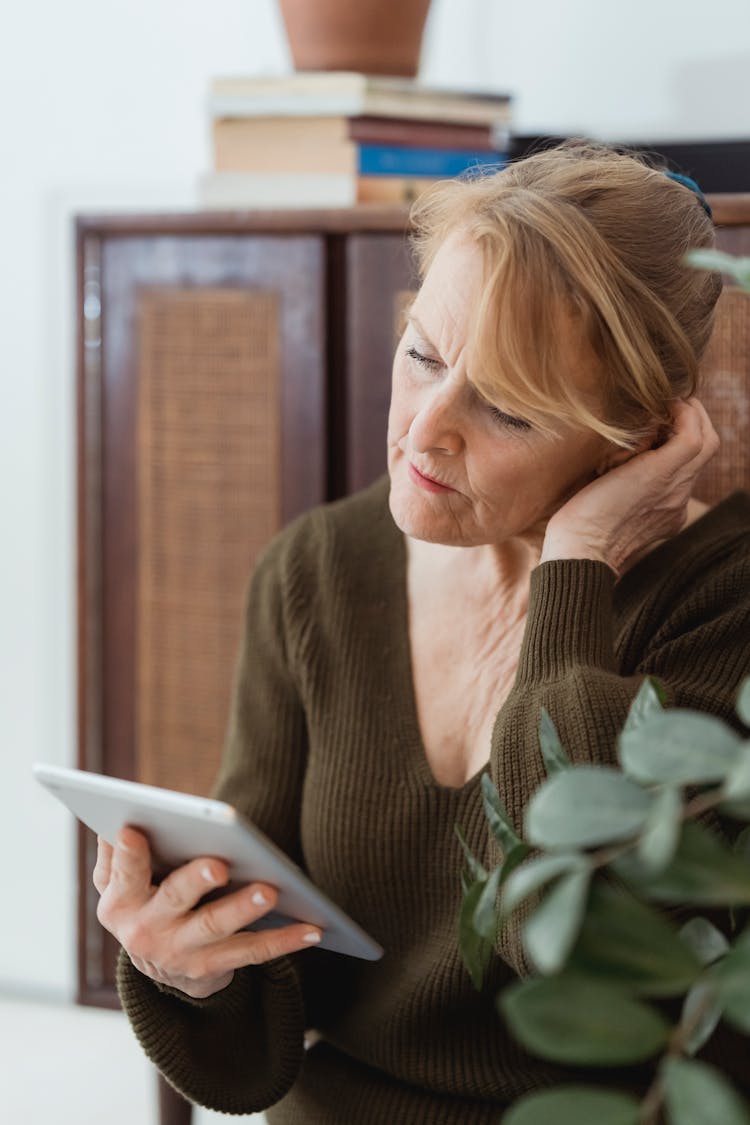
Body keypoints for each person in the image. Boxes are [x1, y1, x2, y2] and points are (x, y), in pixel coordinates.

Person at [93, 140, 750, 1122]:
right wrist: (185, 967)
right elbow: (258, 1038)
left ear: (641, 437)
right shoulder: (317, 570)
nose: (423, 431)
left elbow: (558, 936)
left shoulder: (721, 601)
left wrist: (575, 568)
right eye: (424, 356)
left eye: (510, 409)